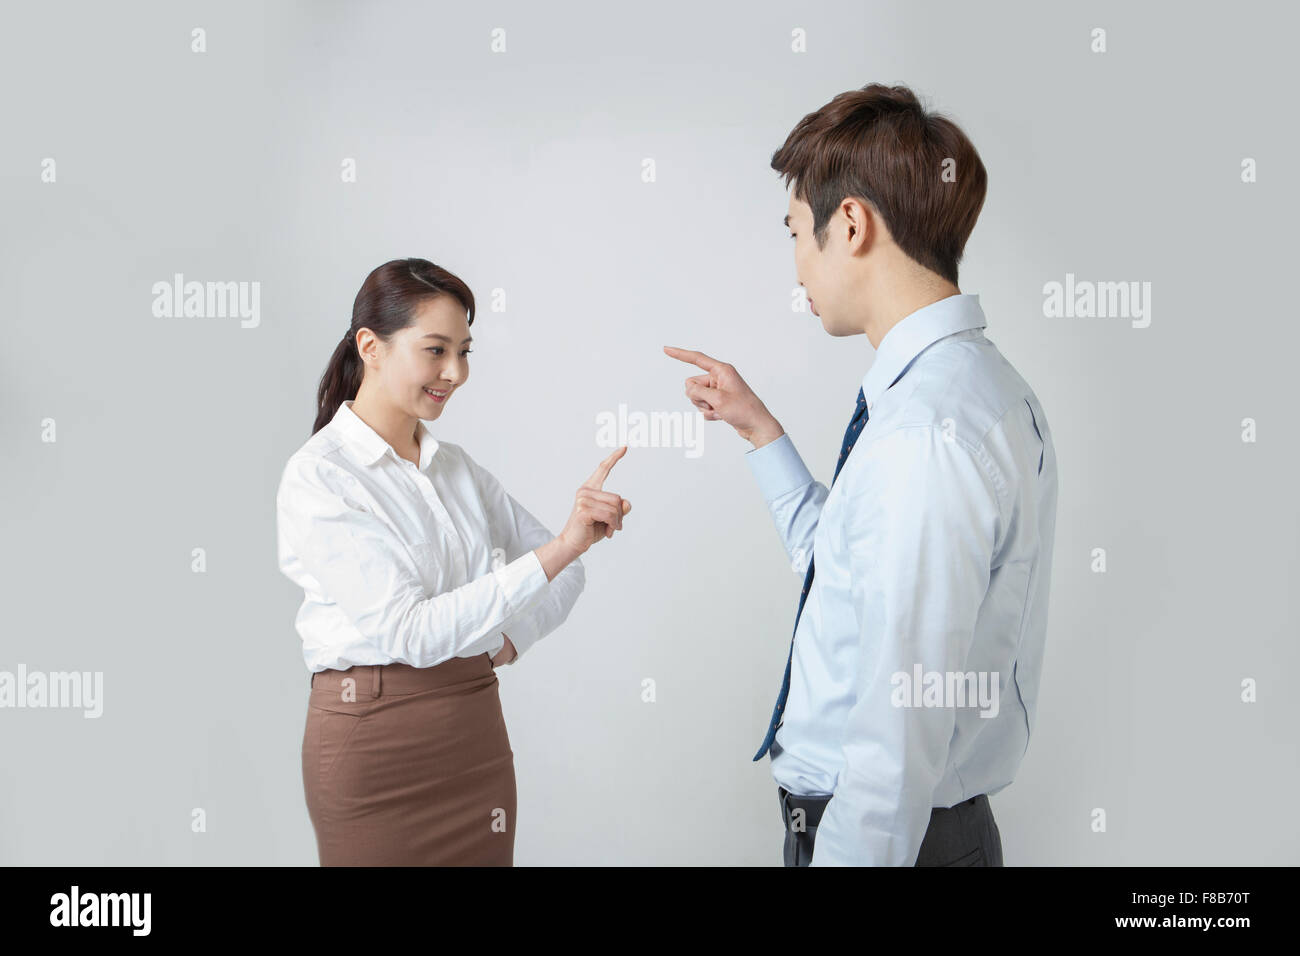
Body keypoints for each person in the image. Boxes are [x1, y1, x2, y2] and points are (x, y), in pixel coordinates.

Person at [666, 83, 1058, 866]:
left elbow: (894, 737)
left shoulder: (923, 434)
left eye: (794, 234)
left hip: (880, 841)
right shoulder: (980, 389)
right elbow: (846, 579)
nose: (798, 269)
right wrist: (762, 433)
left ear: (850, 224)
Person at [276, 257, 631, 865]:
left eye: (465, 351)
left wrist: (504, 642)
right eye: (436, 350)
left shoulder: (456, 468)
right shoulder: (320, 476)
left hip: (474, 740)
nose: (456, 372)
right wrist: (560, 548)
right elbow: (408, 630)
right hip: (372, 751)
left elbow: (565, 570)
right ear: (371, 346)